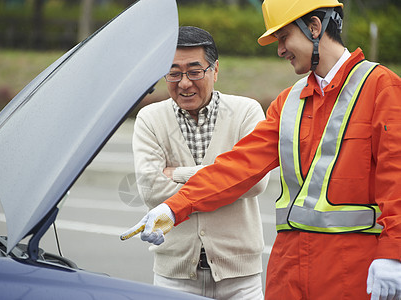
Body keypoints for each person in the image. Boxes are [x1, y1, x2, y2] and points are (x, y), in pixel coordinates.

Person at [121, 1, 401, 299]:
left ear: (315, 28)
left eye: (284, 38)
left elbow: (396, 177)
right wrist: (173, 207)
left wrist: (394, 253)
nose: (280, 50)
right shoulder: (288, 103)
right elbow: (238, 167)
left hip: (350, 269)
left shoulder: (381, 89)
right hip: (288, 271)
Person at [129, 26, 269, 299]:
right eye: (174, 73)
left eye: (194, 72)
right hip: (175, 275)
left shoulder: (246, 112)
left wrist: (177, 173)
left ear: (215, 70)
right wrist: (226, 176)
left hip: (241, 277)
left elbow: (255, 181)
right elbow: (150, 188)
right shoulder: (149, 118)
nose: (184, 83)